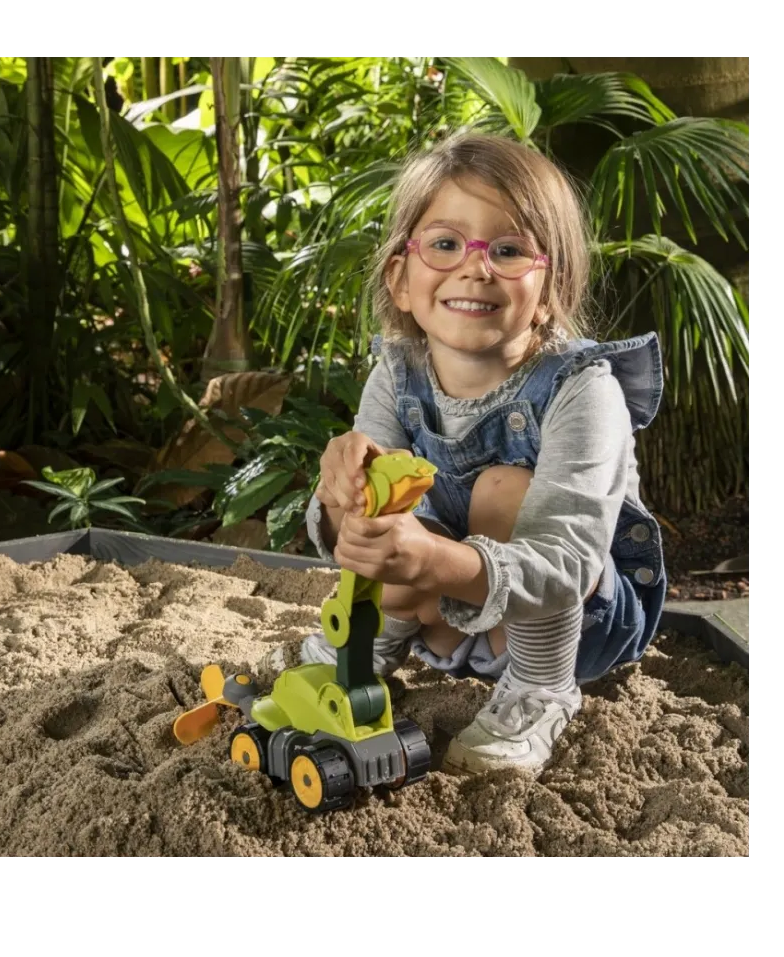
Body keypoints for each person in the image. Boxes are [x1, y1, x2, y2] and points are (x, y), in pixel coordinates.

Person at [263, 131, 666, 776]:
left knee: (502, 490)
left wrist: (433, 557)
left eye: (508, 250)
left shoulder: (584, 391)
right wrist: (342, 495)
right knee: (387, 503)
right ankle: (369, 653)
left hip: (575, 628)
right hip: (451, 630)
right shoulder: (397, 374)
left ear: (550, 287)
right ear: (400, 275)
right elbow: (363, 529)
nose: (474, 267)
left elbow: (567, 563)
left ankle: (538, 696)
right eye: (445, 243)